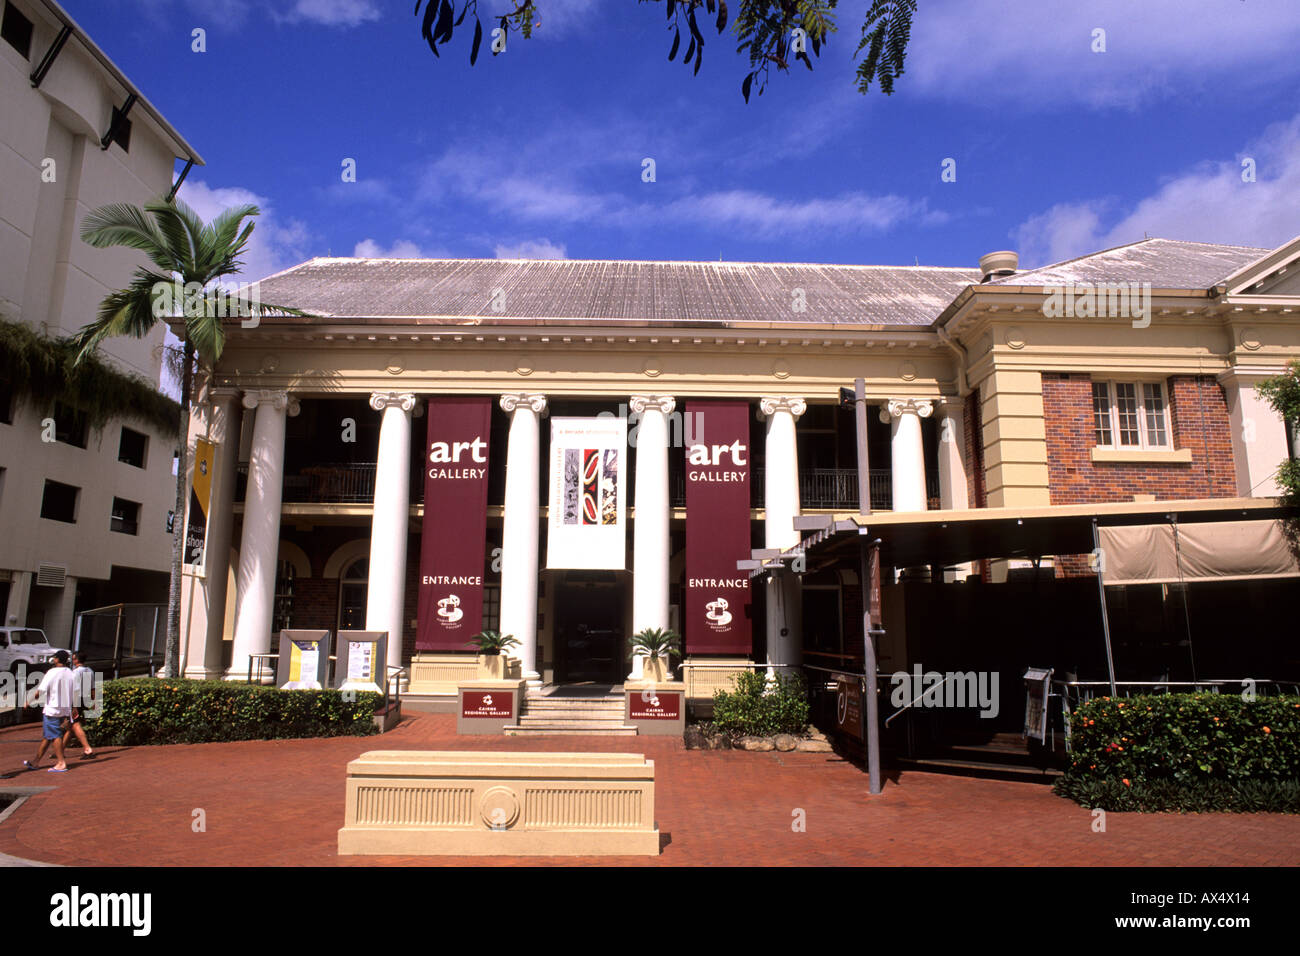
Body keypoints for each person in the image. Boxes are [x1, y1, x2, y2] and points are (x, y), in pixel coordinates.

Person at [23, 650, 77, 773]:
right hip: (64, 709)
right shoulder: (71, 673)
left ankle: (61, 762)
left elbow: (40, 690)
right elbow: (76, 691)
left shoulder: (51, 672)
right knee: (48, 735)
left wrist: (29, 701)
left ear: (57, 660)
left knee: (55, 735)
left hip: (52, 709)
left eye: (54, 658)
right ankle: (36, 761)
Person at [61, 650, 96, 760]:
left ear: (76, 660)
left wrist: (74, 706)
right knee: (71, 727)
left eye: (73, 658)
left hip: (76, 700)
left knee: (75, 724)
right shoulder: (89, 670)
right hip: (84, 699)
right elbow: (92, 688)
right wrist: (93, 702)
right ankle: (60, 750)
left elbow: (75, 689)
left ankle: (87, 749)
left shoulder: (75, 672)